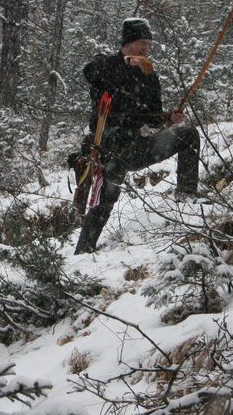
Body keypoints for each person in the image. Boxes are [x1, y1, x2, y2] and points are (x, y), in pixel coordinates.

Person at [74, 17, 200, 254]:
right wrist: (123, 63)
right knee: (105, 199)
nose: (146, 48)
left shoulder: (148, 73)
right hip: (108, 147)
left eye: (148, 44)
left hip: (136, 146)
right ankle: (83, 252)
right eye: (142, 42)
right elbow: (90, 71)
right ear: (128, 43)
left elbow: (152, 118)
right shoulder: (106, 65)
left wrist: (169, 117)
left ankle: (187, 196)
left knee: (188, 135)